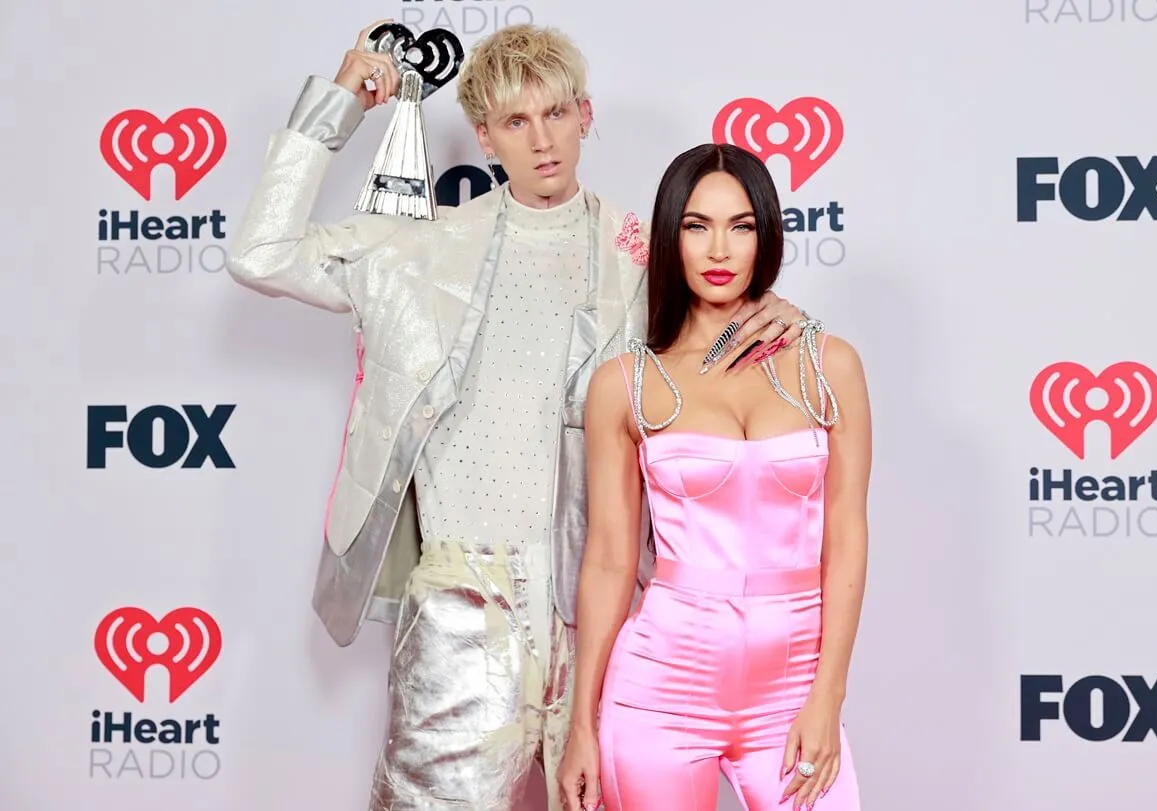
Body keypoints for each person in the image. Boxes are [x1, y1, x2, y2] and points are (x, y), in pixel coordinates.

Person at [226, 20, 815, 811]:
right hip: (463, 607)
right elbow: (260, 253)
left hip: (611, 614)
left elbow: (724, 325)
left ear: (586, 115)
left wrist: (771, 310)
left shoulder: (643, 258)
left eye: (557, 114)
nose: (542, 141)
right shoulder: (418, 249)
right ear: (484, 134)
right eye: (515, 121)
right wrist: (337, 106)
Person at [558, 143, 871, 811]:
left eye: (742, 225)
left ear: (767, 233)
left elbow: (845, 540)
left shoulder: (830, 366)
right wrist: (581, 727)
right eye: (697, 226)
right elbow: (611, 562)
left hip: (792, 691)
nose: (719, 249)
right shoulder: (626, 385)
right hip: (658, 693)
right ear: (671, 236)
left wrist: (828, 695)